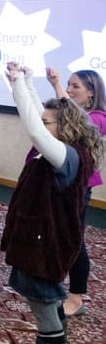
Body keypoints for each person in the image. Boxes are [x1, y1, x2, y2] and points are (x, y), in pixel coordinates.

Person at [1, 63, 103, 344]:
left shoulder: (65, 155)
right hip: (44, 236)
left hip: (48, 243)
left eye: (49, 124)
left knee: (44, 302)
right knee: (48, 301)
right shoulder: (69, 147)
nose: (44, 126)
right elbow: (41, 116)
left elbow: (34, 127)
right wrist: (29, 82)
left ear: (64, 127)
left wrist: (17, 83)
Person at [45, 67, 106, 317]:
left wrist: (57, 86)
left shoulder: (100, 117)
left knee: (74, 239)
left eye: (75, 86)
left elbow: (78, 122)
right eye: (68, 84)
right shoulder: (71, 110)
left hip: (80, 186)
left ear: (91, 92)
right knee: (58, 234)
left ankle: (76, 296)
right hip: (61, 181)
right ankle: (55, 281)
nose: (69, 90)